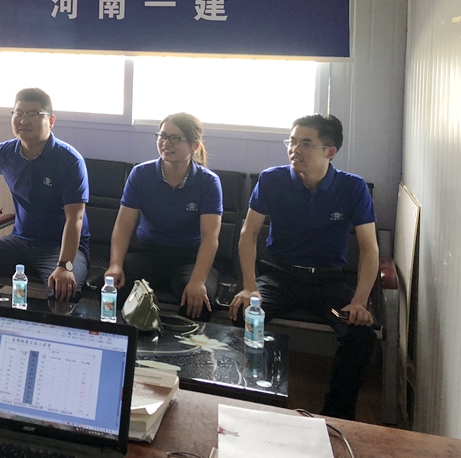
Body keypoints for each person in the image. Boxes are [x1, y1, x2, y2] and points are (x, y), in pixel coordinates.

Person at [229, 114, 378, 420]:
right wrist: (249, 287)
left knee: (360, 335)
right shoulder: (272, 180)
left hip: (329, 282)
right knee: (244, 315)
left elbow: (369, 248)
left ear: (330, 151)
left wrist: (360, 301)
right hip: (279, 276)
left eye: (306, 143)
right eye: (292, 141)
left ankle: (335, 416)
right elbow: (249, 233)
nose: (294, 149)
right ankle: (254, 401)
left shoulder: (352, 187)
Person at [0, 87, 90, 303]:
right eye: (18, 113)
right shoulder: (5, 153)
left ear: (51, 121)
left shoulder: (69, 161)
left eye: (33, 114)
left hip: (60, 246)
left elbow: (75, 218)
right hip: (21, 240)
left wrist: (65, 266)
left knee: (63, 291)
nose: (23, 120)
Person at [106, 113, 223, 320]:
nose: (166, 143)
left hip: (189, 258)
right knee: (113, 286)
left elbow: (209, 237)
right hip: (147, 253)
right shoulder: (140, 174)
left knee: (199, 300)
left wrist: (197, 281)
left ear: (194, 146)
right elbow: (123, 227)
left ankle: (184, 342)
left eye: (175, 138)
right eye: (162, 136)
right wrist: (115, 264)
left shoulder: (208, 182)